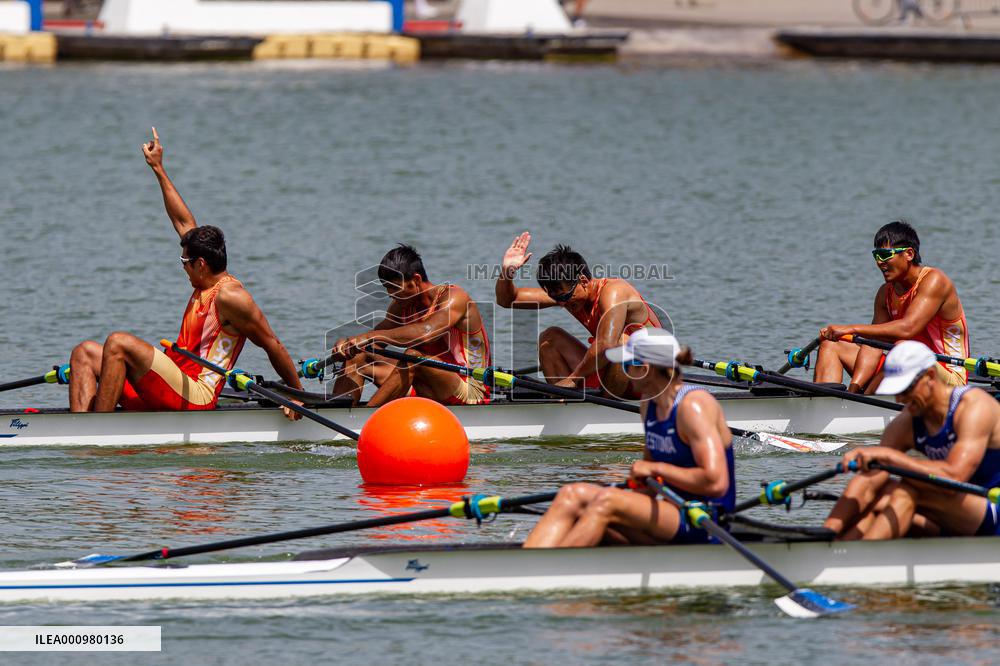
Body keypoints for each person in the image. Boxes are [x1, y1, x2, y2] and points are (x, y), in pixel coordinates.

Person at [68, 128, 304, 419]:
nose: (181, 266)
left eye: (184, 261)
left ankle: (99, 432)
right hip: (172, 384)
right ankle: (79, 430)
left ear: (201, 264)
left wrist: (297, 396)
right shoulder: (204, 276)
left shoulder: (232, 297)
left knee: (117, 342)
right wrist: (158, 168)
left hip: (196, 393)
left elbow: (272, 344)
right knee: (85, 352)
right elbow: (182, 221)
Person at [523, 329, 734, 548]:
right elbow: (648, 485)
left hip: (704, 518)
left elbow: (715, 482)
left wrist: (655, 471)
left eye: (626, 366)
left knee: (606, 502)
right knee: (573, 494)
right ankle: (526, 564)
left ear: (645, 369)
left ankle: (553, 571)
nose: (622, 374)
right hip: (669, 510)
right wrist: (624, 491)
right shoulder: (648, 404)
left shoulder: (693, 406)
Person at [824, 341, 1000, 540]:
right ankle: (833, 545)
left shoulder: (973, 407)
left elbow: (954, 476)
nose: (900, 400)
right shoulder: (909, 421)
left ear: (930, 377)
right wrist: (830, 529)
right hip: (954, 514)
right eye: (896, 391)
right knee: (881, 492)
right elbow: (869, 479)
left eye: (906, 389)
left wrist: (889, 456)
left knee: (910, 487)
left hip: (994, 510)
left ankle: (858, 561)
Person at [495, 232, 663, 399]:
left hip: (650, 378)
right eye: (555, 298)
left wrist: (573, 379)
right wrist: (507, 271)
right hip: (616, 373)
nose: (561, 304)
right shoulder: (569, 294)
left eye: (563, 296)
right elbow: (508, 300)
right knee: (550, 338)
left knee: (622, 342)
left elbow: (607, 344)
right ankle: (564, 403)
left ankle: (598, 407)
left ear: (583, 281)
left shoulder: (614, 292)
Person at [814, 221, 969, 393]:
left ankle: (867, 401)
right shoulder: (885, 293)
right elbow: (873, 345)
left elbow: (908, 328)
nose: (880, 262)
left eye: (885, 255)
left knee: (903, 347)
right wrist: (854, 390)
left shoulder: (934, 281)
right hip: (903, 364)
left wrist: (850, 328)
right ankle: (828, 405)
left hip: (948, 376)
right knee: (831, 345)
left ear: (909, 254)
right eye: (876, 255)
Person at [329, 244, 491, 408]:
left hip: (470, 390)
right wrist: (349, 345)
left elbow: (426, 332)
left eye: (395, 287)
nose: (391, 294)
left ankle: (366, 419)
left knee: (414, 357)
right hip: (425, 386)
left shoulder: (455, 298)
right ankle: (338, 414)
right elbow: (374, 340)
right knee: (358, 356)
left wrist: (370, 337)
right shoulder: (401, 305)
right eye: (387, 288)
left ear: (417, 280)